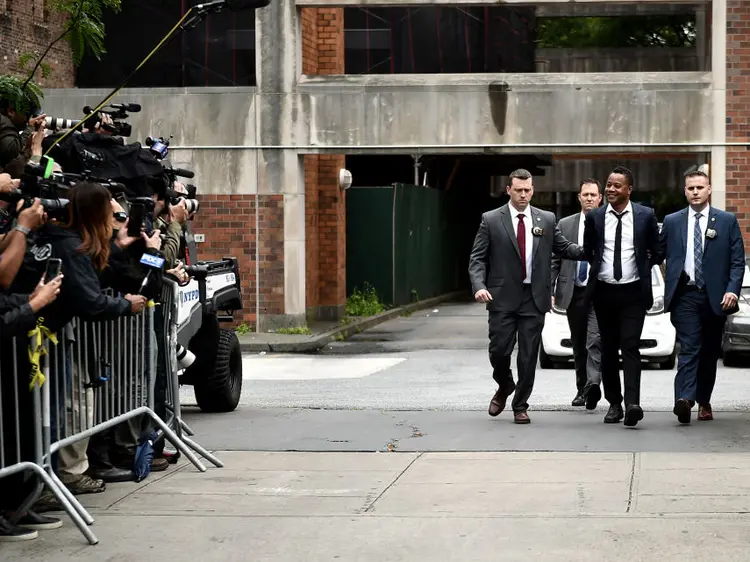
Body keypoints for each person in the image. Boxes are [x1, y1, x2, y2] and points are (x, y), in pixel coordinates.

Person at [469, 168, 585, 424]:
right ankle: (505, 385)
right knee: (498, 351)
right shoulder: (491, 220)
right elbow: (477, 258)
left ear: (533, 190)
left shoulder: (546, 218)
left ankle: (520, 404)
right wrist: (479, 285)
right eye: (518, 190)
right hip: (501, 297)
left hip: (534, 297)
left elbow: (563, 247)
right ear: (508, 190)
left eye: (528, 190)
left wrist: (591, 251)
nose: (523, 194)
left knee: (528, 355)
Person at [656, 170, 745, 424]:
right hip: (685, 294)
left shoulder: (726, 221)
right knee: (689, 346)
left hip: (716, 297)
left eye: (699, 187)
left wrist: (732, 289)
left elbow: (737, 261)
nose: (695, 192)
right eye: (690, 188)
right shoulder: (672, 221)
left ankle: (704, 400)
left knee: (708, 352)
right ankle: (684, 399)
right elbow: (657, 252)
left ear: (709, 190)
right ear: (684, 191)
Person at [583, 166, 660, 427]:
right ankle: (614, 404)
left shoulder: (645, 215)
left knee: (630, 346)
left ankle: (632, 404)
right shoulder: (594, 217)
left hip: (633, 292)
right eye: (609, 184)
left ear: (629, 189)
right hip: (604, 291)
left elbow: (656, 249)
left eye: (617, 185)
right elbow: (589, 249)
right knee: (607, 350)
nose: (611, 189)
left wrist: (646, 263)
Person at [550, 179, 603, 407]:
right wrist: (550, 287)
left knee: (595, 339)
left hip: (599, 291)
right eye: (585, 194)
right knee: (578, 343)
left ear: (600, 198)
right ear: (579, 197)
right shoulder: (565, 224)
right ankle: (582, 388)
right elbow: (555, 258)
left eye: (593, 194)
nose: (589, 198)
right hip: (574, 291)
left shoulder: (606, 222)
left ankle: (593, 385)